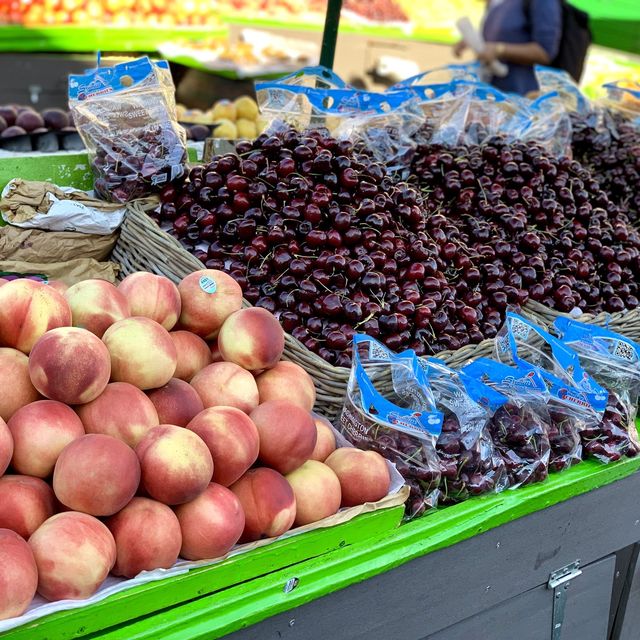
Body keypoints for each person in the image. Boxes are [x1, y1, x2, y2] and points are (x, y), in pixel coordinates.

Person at [454, 0, 563, 96]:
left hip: (522, 96)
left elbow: (544, 51)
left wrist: (499, 49)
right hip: (494, 92)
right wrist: (475, 40)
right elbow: (503, 33)